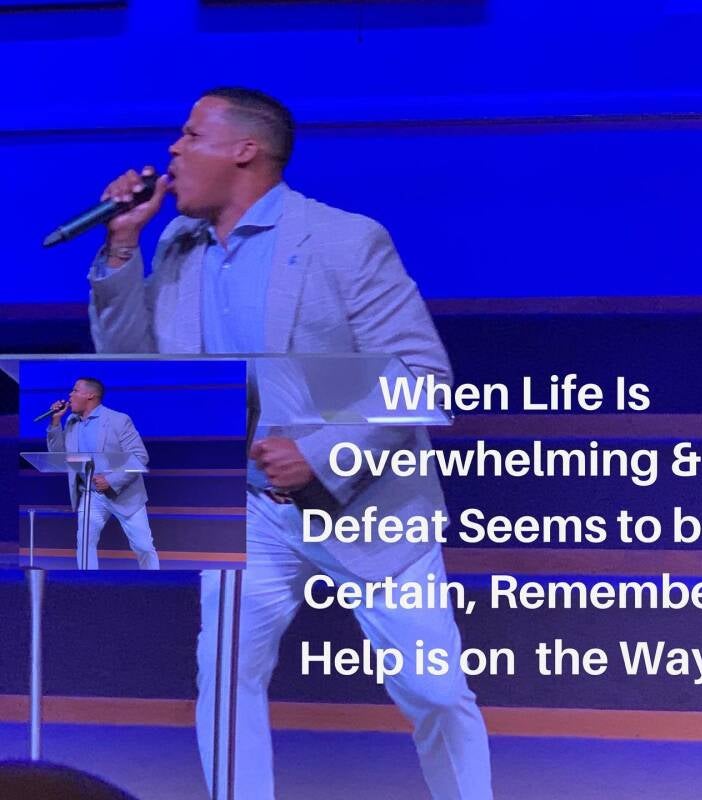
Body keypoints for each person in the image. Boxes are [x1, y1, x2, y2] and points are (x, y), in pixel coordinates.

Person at [88, 87, 492, 799]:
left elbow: (424, 379)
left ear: (245, 150)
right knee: (225, 680)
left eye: (192, 134)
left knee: (432, 690)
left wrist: (322, 452)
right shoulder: (179, 247)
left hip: (366, 503)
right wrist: (123, 245)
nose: (173, 149)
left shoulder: (342, 240)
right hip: (247, 509)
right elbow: (133, 366)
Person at [46, 377, 159, 570]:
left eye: (75, 390)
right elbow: (58, 456)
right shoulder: (72, 422)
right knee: (84, 544)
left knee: (143, 547)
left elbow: (140, 457)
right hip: (90, 495)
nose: (70, 395)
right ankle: (87, 583)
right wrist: (56, 421)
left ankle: (154, 580)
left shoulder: (118, 420)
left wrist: (111, 480)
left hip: (123, 493)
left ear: (91, 395)